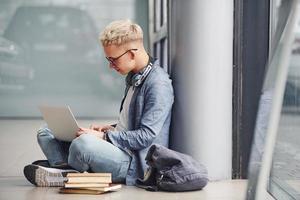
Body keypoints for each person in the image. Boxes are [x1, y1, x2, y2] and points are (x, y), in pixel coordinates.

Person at [23, 19, 174, 186]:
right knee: (46, 131)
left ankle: (62, 169)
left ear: (131, 53)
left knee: (83, 144)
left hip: (132, 163)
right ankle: (64, 168)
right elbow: (131, 126)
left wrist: (104, 137)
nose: (110, 66)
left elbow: (146, 137)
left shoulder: (158, 84)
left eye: (113, 60)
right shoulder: (134, 77)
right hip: (116, 147)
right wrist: (111, 128)